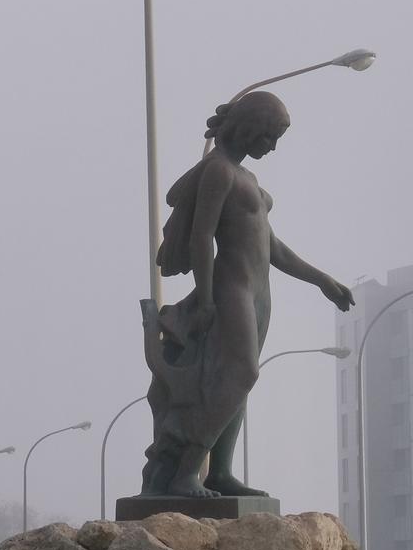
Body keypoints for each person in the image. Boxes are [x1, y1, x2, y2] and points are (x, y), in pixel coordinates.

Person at [141, 91, 352, 498]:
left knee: (236, 382)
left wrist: (322, 279)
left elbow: (272, 248)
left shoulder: (247, 178)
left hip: (259, 293)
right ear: (250, 126)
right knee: (242, 373)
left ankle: (220, 471)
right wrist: (205, 300)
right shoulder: (218, 171)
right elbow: (203, 238)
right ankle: (187, 471)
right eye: (269, 136)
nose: (271, 147)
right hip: (229, 289)